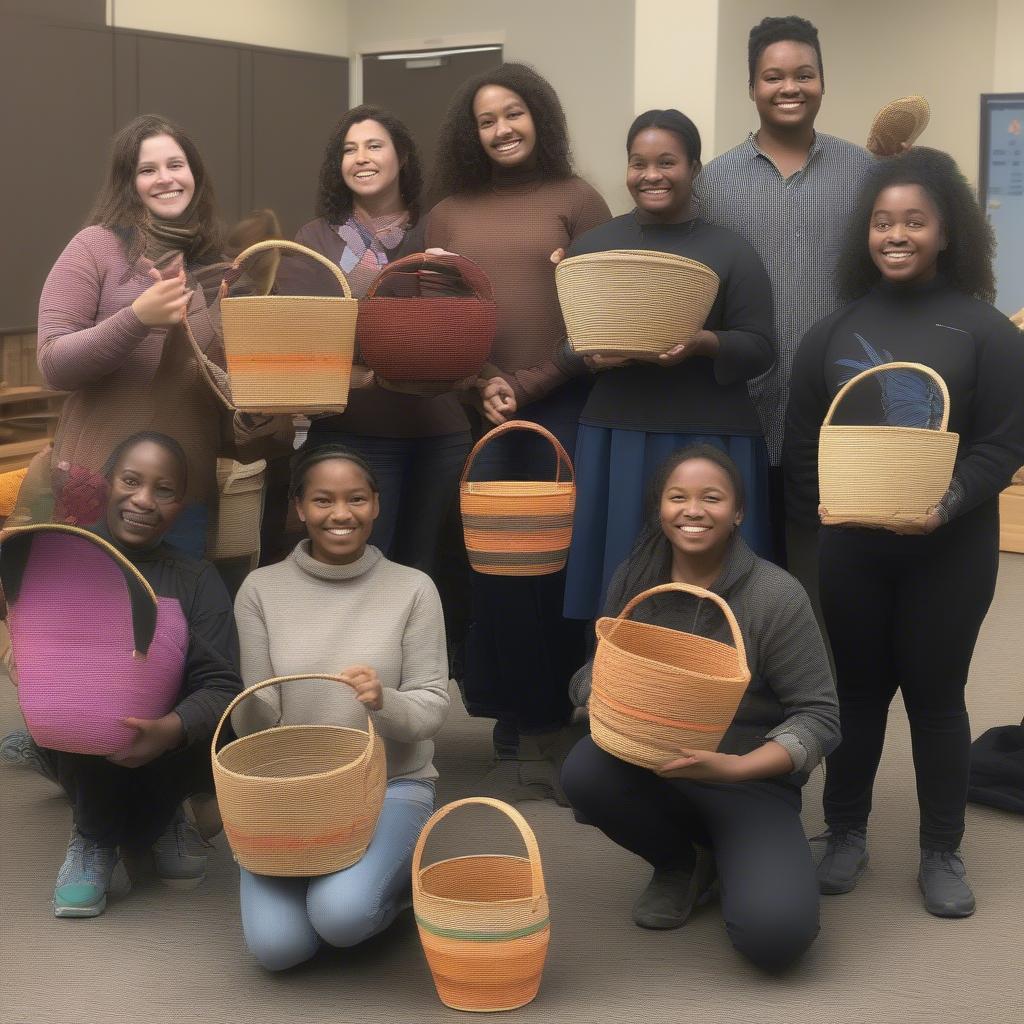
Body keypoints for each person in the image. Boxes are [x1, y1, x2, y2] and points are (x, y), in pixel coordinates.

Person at [783, 148, 1024, 917]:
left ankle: (941, 850)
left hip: (950, 549)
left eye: (914, 221)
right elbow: (801, 446)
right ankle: (846, 833)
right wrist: (813, 521)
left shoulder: (988, 332)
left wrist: (947, 502)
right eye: (883, 222)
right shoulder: (831, 332)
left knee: (936, 696)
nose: (896, 234)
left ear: (946, 232)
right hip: (851, 549)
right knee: (855, 695)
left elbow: (1004, 443)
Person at [561, 446, 839, 971]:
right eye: (678, 497)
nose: (693, 510)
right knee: (584, 771)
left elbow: (820, 717)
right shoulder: (636, 580)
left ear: (738, 512)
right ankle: (680, 862)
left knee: (775, 939)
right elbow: (590, 673)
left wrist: (736, 767)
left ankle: (734, 854)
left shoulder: (776, 596)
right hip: (653, 768)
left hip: (748, 781)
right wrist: (597, 692)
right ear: (659, 509)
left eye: (711, 498)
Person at [426, 63, 611, 797]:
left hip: (565, 400)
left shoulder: (579, 198)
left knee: (563, 566)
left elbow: (604, 313)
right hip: (479, 412)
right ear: (470, 134)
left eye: (514, 113)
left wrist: (526, 383)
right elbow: (427, 318)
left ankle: (568, 715)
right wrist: (479, 386)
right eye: (487, 119)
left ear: (540, 116)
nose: (502, 129)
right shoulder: (446, 213)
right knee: (498, 573)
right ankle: (523, 716)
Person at [0, 431, 242, 917]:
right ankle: (93, 835)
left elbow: (222, 686)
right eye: (131, 481)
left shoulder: (197, 579)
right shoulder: (58, 555)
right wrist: (17, 651)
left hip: (167, 736)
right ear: (107, 483)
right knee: (93, 705)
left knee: (210, 721)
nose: (143, 500)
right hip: (81, 733)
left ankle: (161, 816)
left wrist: (170, 730)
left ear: (181, 505)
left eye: (164, 489)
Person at [230, 444, 450, 971]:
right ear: (300, 509)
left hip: (391, 785)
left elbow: (432, 707)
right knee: (278, 950)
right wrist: (253, 705)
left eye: (356, 499)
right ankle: (346, 879)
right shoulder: (260, 589)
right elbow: (250, 728)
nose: (341, 514)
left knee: (341, 919)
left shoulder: (413, 588)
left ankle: (400, 889)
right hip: (288, 796)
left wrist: (384, 701)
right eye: (323, 500)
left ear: (376, 504)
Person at [562, 108, 775, 622]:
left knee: (718, 586)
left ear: (695, 168)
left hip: (713, 435)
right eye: (638, 163)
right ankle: (611, 691)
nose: (651, 175)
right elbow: (567, 348)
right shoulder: (593, 249)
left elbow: (760, 348)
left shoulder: (732, 251)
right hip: (617, 433)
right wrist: (590, 356)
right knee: (617, 580)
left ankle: (720, 684)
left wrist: (703, 343)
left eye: (667, 162)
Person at [694, 15, 875, 590]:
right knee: (748, 567)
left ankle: (830, 680)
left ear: (823, 82)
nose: (789, 87)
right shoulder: (715, 182)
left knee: (836, 572)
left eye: (804, 74)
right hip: (744, 405)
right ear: (752, 87)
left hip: (841, 403)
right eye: (773, 77)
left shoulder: (863, 173)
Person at [273, 106, 471, 582]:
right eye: (349, 149)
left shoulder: (437, 228)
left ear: (401, 156)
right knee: (355, 571)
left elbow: (451, 329)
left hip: (437, 433)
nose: (360, 158)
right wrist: (404, 310)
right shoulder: (314, 237)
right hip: (350, 429)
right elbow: (306, 333)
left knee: (427, 570)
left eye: (374, 145)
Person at [31, 114, 238, 558]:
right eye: (148, 170)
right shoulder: (95, 247)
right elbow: (52, 363)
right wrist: (136, 319)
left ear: (195, 175)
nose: (165, 179)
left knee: (173, 622)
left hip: (185, 492)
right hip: (97, 488)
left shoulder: (220, 268)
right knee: (93, 620)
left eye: (176, 165)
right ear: (129, 182)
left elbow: (222, 386)